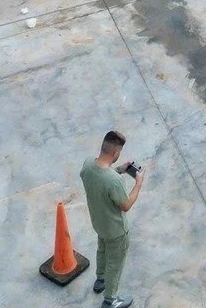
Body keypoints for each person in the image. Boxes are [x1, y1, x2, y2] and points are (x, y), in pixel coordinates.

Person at [80, 129, 145, 308]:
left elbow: (101, 178)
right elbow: (125, 205)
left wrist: (119, 170)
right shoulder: (114, 181)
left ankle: (100, 280)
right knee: (115, 263)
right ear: (116, 153)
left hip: (99, 224)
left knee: (102, 250)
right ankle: (110, 299)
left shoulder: (87, 165)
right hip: (116, 230)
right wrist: (138, 183)